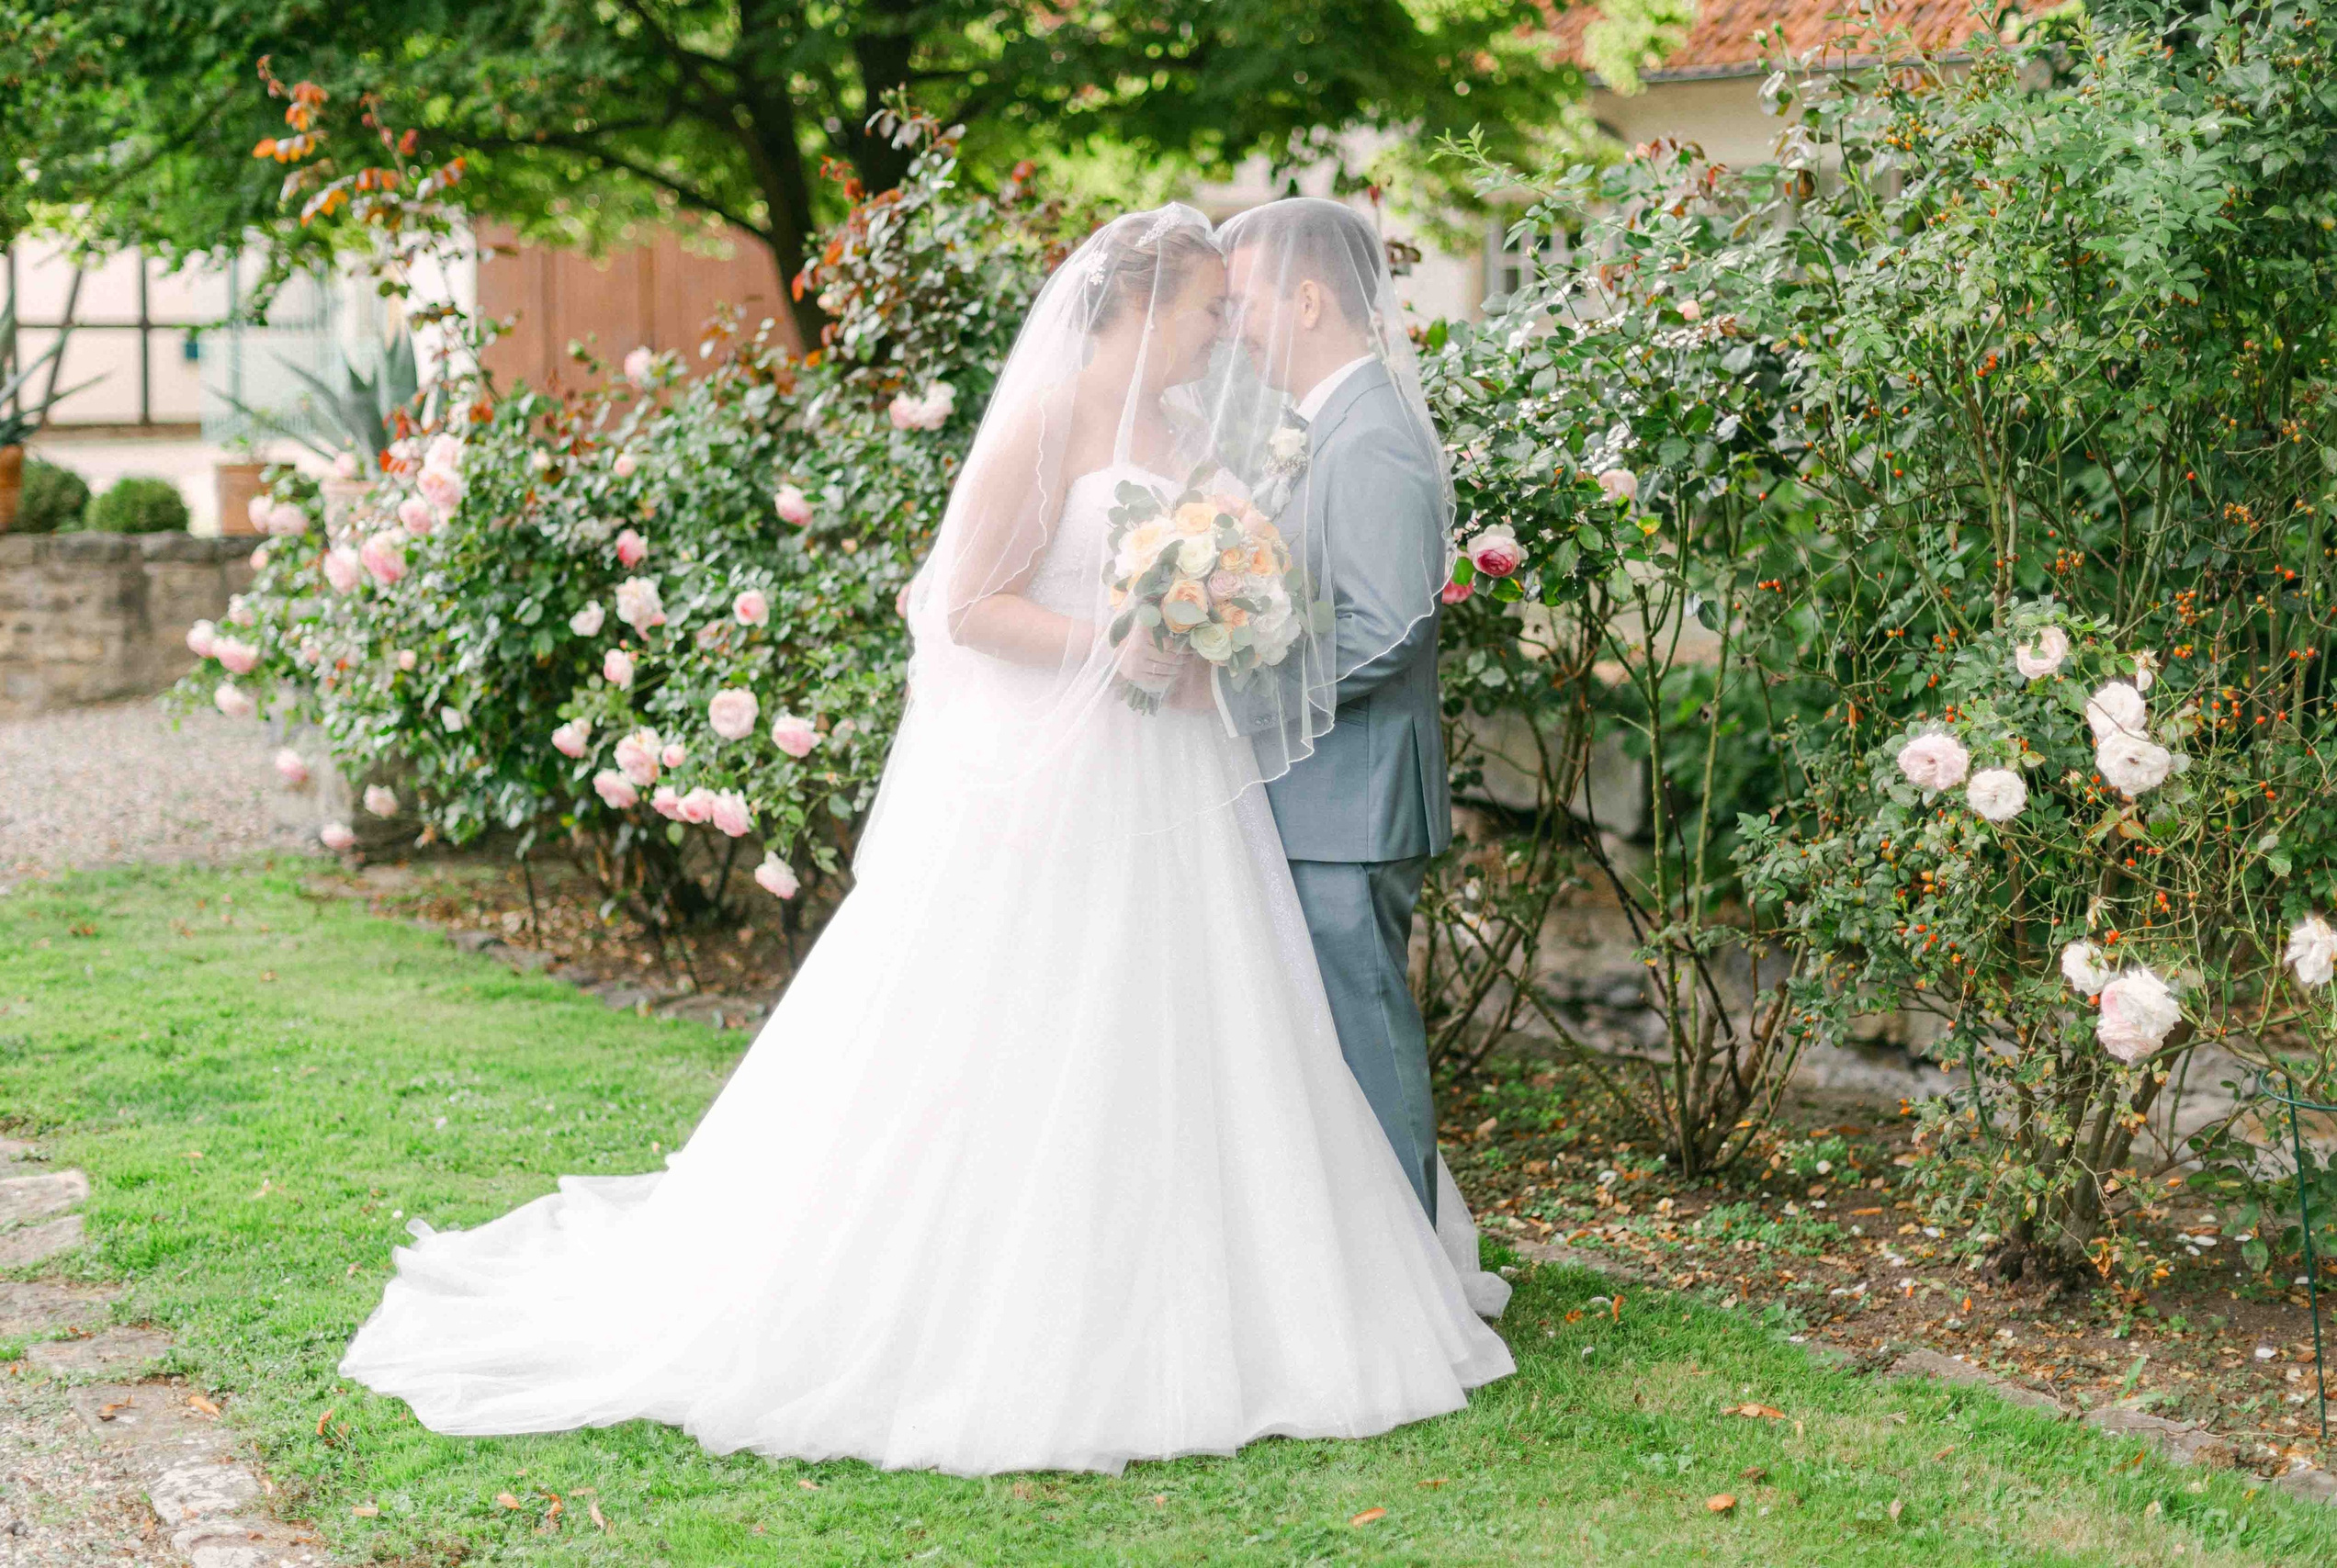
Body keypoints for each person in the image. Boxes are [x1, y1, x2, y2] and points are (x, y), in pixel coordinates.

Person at [339, 205, 1509, 1480]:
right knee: (1033, 1013)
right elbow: (967, 606)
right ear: (1137, 307)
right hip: (1072, 765)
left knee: (1195, 1019)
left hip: (1184, 769)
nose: (1221, 329)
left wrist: (1211, 623)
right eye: (1204, 309)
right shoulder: (1045, 422)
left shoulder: (1188, 433)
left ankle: (1210, 1273)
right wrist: (1115, 648)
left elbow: (1243, 573)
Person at [1218, 198, 1454, 1222]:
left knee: (1365, 1034)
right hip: (1314, 793)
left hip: (1351, 799)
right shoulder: (1320, 426)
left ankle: (1414, 1264)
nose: (1237, 327)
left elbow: (1390, 622)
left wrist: (1238, 698)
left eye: (1246, 303)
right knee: (1323, 1041)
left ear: (1306, 297)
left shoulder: (1373, 435)